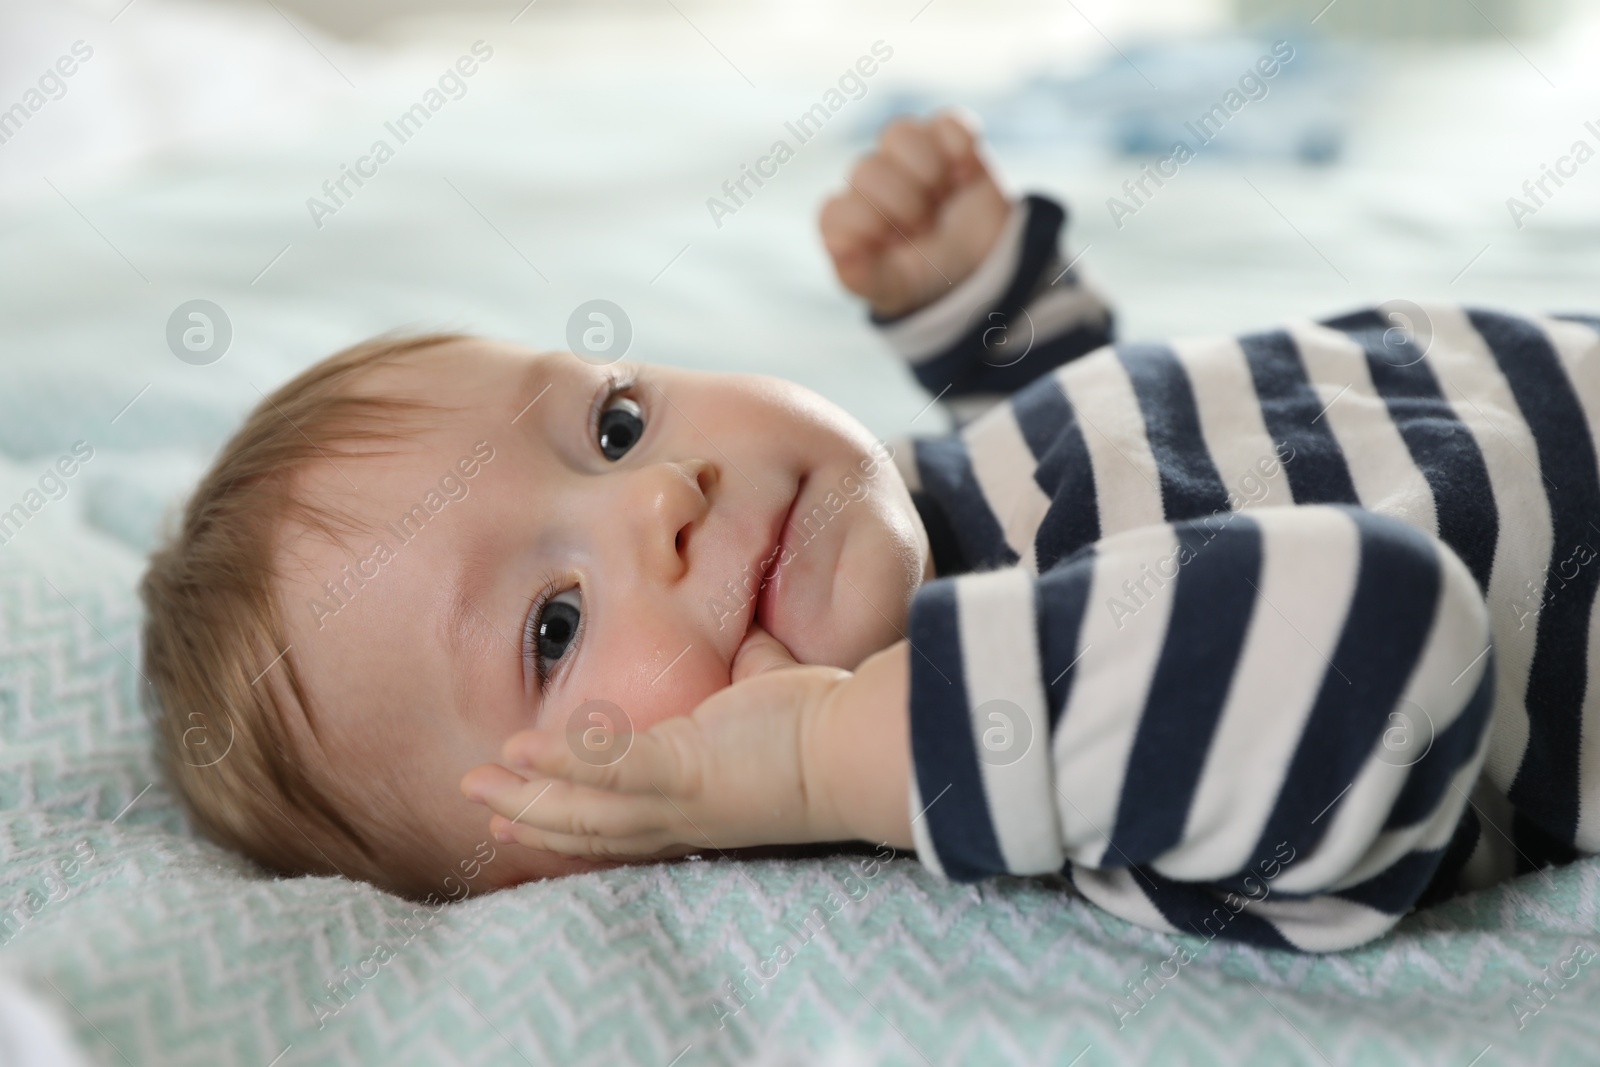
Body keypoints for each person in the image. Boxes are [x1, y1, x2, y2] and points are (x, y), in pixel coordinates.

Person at [141, 112, 1600, 951]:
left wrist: (1003, 333)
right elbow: (1363, 629)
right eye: (555, 629)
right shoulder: (1064, 792)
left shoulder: (915, 517)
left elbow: (1162, 471)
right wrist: (821, 751)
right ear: (560, 858)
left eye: (613, 424)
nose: (660, 499)